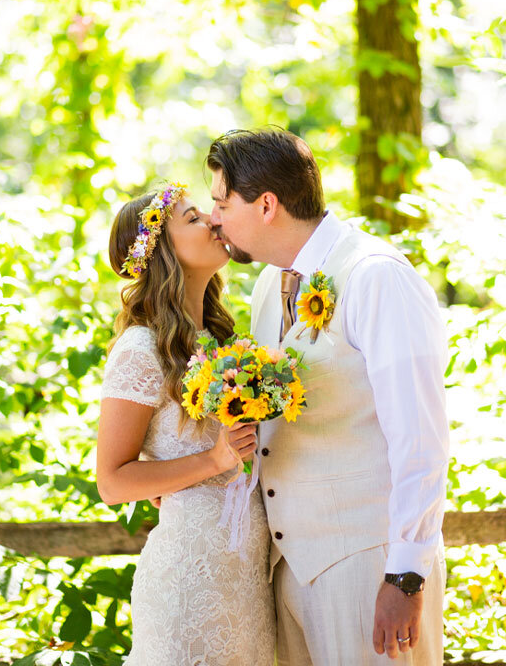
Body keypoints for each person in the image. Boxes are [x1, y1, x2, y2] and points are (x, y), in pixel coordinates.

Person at [206, 128, 448, 664]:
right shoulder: (271, 285)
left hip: (369, 564)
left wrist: (405, 575)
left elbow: (421, 440)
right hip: (288, 568)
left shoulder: (376, 277)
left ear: (266, 204)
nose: (214, 218)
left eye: (222, 202)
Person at [95, 182, 274, 666]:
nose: (214, 221)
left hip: (245, 581)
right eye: (194, 218)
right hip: (186, 585)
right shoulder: (140, 348)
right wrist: (211, 460)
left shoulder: (221, 338)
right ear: (162, 253)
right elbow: (111, 482)